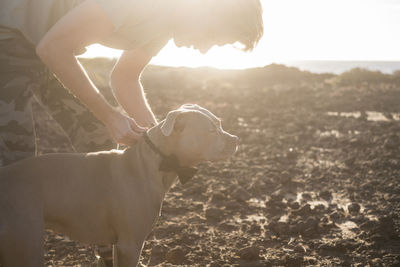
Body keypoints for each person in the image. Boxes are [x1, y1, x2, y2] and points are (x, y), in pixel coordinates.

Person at [0, 0, 263, 265]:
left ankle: (115, 253)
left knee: (97, 140)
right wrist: (110, 116)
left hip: (45, 42)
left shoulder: (164, 26)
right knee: (16, 169)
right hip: (8, 38)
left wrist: (158, 140)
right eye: (215, 39)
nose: (205, 50)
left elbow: (124, 77)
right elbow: (53, 48)